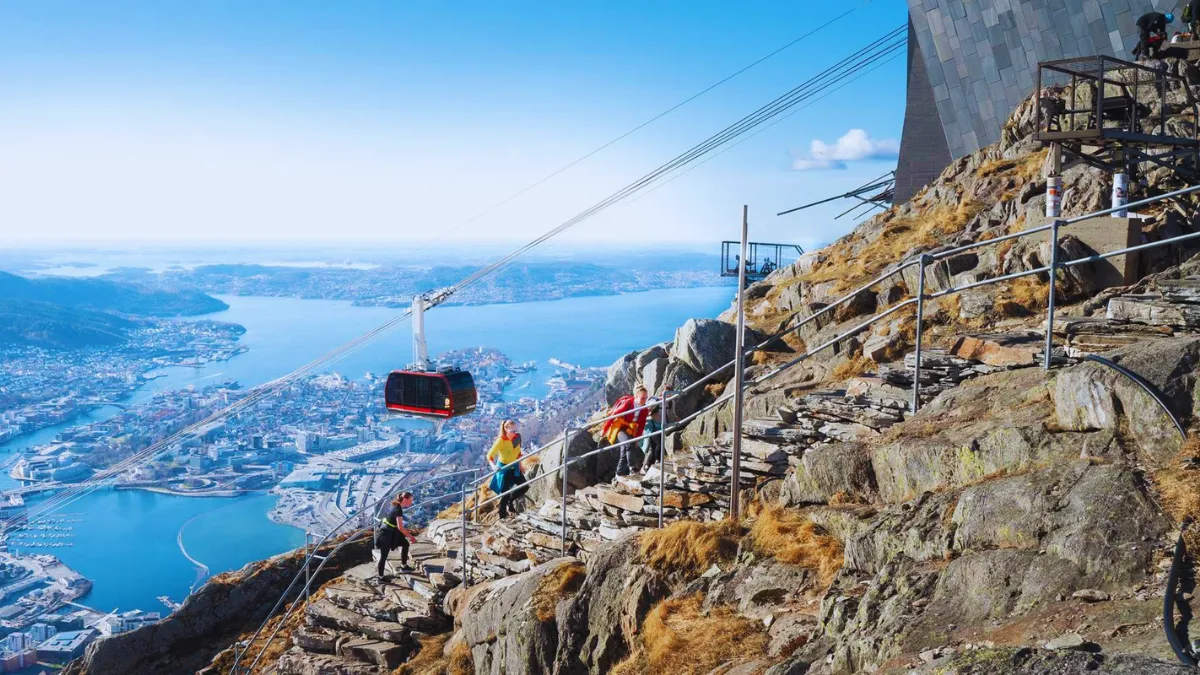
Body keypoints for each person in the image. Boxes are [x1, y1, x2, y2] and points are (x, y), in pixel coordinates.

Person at [603, 385, 650, 477]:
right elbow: (614, 415)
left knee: (624, 453)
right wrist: (605, 429)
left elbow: (641, 425)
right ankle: (632, 467)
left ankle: (618, 474)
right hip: (620, 429)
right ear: (636, 396)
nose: (644, 400)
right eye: (642, 398)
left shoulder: (644, 409)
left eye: (646, 398)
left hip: (630, 430)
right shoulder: (627, 404)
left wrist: (637, 439)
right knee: (629, 443)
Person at [487, 419, 525, 518]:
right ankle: (502, 516)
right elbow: (490, 455)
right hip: (504, 468)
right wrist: (493, 466)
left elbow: (518, 453)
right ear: (506, 429)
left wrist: (520, 466)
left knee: (524, 486)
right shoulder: (501, 440)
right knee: (505, 494)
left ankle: (510, 501)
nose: (514, 433)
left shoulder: (517, 437)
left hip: (514, 466)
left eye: (515, 430)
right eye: (512, 431)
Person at [374, 491, 416, 579]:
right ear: (405, 500)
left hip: (390, 531)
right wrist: (411, 537)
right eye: (410, 500)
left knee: (405, 544)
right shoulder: (398, 510)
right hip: (385, 534)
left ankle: (404, 566)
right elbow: (400, 527)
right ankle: (380, 577)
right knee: (384, 556)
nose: (411, 502)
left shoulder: (395, 505)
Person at [638, 397, 664, 473]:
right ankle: (657, 461)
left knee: (654, 447)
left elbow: (671, 414)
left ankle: (647, 466)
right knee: (658, 444)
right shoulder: (655, 401)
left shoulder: (671, 402)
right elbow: (646, 411)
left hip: (659, 426)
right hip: (651, 426)